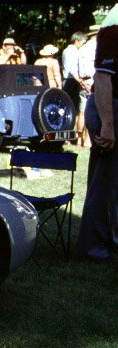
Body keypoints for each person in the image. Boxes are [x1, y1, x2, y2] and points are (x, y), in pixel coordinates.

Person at [77, 5, 118, 262]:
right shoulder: (113, 31)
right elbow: (103, 79)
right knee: (103, 183)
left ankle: (110, 239)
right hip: (110, 108)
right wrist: (108, 125)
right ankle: (92, 247)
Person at [78, 26, 100, 147]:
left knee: (82, 111)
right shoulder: (98, 47)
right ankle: (89, 140)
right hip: (94, 80)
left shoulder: (82, 49)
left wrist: (81, 81)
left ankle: (79, 140)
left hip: (83, 82)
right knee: (94, 111)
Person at [63, 32, 88, 130]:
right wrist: (81, 82)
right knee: (71, 108)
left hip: (68, 80)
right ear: (77, 41)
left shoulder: (66, 50)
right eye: (83, 42)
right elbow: (73, 70)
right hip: (71, 81)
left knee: (69, 107)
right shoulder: (73, 52)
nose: (84, 45)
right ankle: (69, 132)